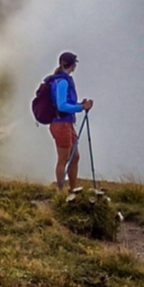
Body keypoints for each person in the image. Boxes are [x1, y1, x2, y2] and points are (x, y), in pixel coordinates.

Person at [45, 51, 92, 189]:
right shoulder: (63, 81)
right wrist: (80, 107)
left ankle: (72, 189)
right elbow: (62, 105)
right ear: (73, 65)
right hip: (62, 124)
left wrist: (79, 105)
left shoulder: (58, 79)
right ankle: (62, 192)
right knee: (64, 159)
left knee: (74, 157)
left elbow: (62, 103)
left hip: (65, 123)